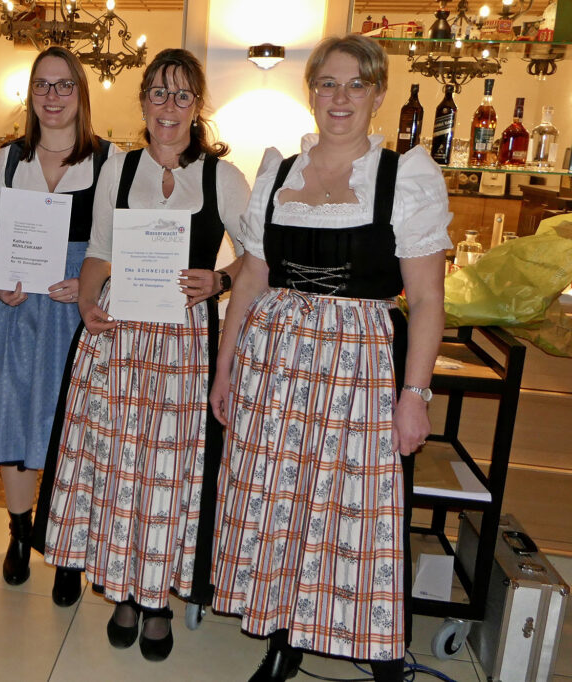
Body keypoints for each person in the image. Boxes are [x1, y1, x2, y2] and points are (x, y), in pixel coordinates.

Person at [208, 34, 451, 682]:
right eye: (327, 84)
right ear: (311, 91)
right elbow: (251, 280)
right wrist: (224, 368)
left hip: (361, 371)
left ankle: (380, 650)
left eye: (355, 84)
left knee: (362, 508)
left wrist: (415, 395)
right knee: (280, 499)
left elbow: (428, 299)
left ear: (377, 93)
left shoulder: (404, 177)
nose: (340, 98)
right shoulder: (278, 172)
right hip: (275, 366)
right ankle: (283, 635)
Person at [38, 48, 251, 662]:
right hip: (121, 339)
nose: (168, 106)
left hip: (184, 345)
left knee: (170, 474)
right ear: (143, 101)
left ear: (197, 106)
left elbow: (260, 256)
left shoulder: (221, 177)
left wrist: (221, 279)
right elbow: (100, 251)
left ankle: (157, 600)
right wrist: (86, 303)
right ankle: (124, 590)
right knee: (120, 468)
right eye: (158, 92)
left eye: (181, 95)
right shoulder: (120, 168)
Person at [0, 46, 114, 602]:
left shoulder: (111, 160)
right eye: (42, 85)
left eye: (64, 84)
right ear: (30, 94)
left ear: (81, 93)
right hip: (17, 309)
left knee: (72, 428)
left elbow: (121, 241)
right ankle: (20, 532)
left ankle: (68, 545)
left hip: (76, 312)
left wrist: (92, 282)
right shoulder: (6, 159)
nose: (52, 96)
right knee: (14, 419)